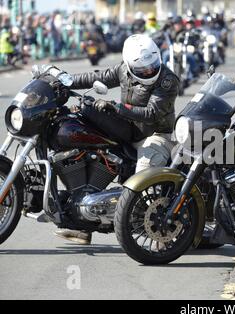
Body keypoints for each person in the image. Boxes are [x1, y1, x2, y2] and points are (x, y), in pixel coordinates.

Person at [54, 34, 180, 245]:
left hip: (156, 135)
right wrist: (64, 81)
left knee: (144, 170)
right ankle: (83, 223)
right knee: (84, 137)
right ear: (130, 66)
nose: (149, 71)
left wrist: (117, 108)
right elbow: (96, 77)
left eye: (153, 65)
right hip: (128, 129)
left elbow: (152, 113)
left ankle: (158, 228)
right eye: (143, 70)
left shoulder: (167, 80)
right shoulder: (123, 70)